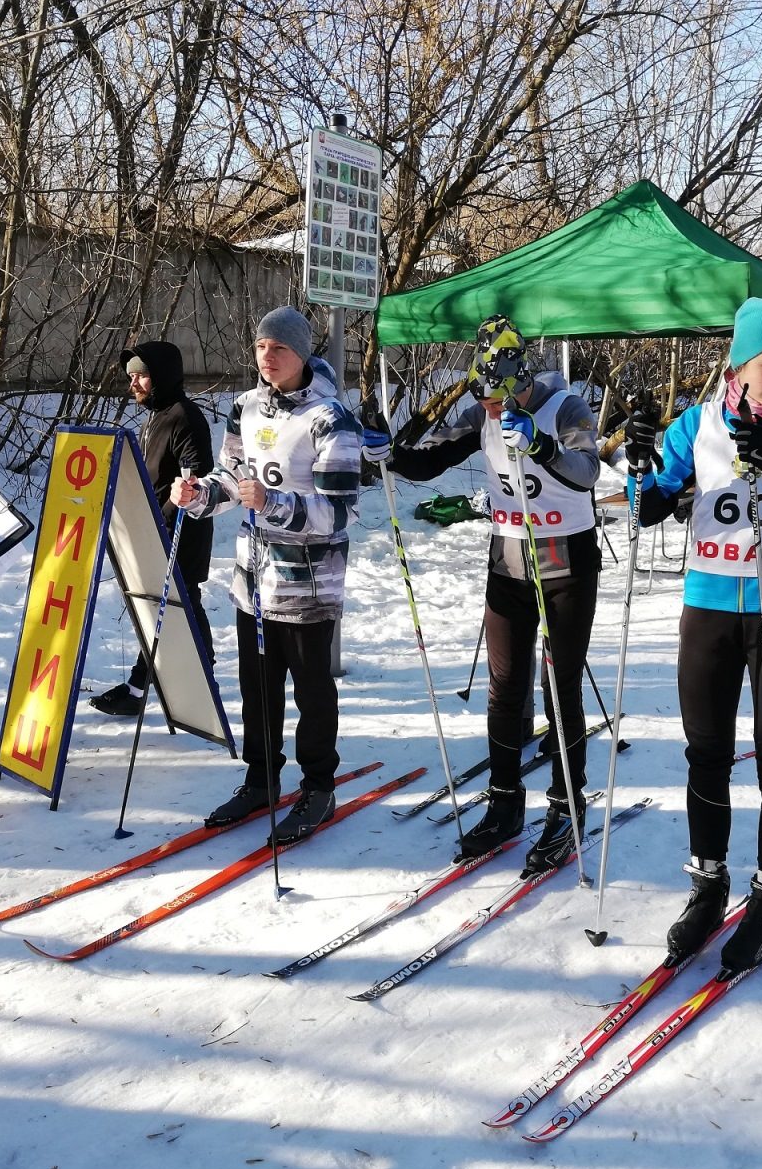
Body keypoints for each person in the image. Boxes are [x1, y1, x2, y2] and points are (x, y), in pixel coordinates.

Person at [628, 298, 762, 973]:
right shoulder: (696, 423)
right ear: (739, 365)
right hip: (711, 605)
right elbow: (652, 504)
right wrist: (641, 471)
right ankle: (707, 884)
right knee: (706, 753)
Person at [362, 314, 601, 874]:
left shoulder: (563, 407)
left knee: (559, 684)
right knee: (504, 685)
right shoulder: (482, 410)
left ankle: (567, 809)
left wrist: (540, 445)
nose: (493, 410)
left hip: (564, 560)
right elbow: (431, 459)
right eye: (485, 400)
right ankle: (504, 803)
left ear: (522, 380)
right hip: (509, 560)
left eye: (501, 400)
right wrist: (389, 454)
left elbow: (587, 472)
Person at [174, 307, 359, 843]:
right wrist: (199, 495)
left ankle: (319, 786)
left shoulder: (329, 418)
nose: (267, 358)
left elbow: (341, 511)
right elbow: (232, 476)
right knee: (257, 687)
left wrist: (275, 503)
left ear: (301, 353)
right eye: (259, 347)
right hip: (253, 579)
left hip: (307, 582)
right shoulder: (245, 407)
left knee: (311, 690)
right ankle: (262, 777)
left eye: (278, 348)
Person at [90, 339, 216, 715]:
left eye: (142, 375)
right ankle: (184, 679)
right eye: (131, 377)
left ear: (162, 375)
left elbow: (197, 478)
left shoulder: (184, 416)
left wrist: (166, 514)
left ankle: (149, 687)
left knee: (180, 603)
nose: (134, 384)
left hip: (180, 532)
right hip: (153, 530)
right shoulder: (156, 417)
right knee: (172, 605)